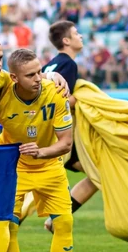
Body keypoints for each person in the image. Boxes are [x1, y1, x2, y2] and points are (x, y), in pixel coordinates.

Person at [0, 49, 74, 252]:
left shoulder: (55, 94)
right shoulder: (1, 97)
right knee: (9, 229)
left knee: (65, 224)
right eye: (30, 75)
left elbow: (66, 143)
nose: (38, 78)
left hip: (50, 165)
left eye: (40, 72)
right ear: (14, 78)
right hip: (15, 167)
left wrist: (41, 153)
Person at [38, 21, 94, 233]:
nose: (81, 36)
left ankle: (55, 218)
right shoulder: (69, 65)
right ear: (66, 41)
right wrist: (83, 101)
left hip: (46, 132)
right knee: (98, 176)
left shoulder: (50, 65)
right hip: (60, 137)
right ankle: (56, 219)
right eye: (76, 33)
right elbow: (63, 99)